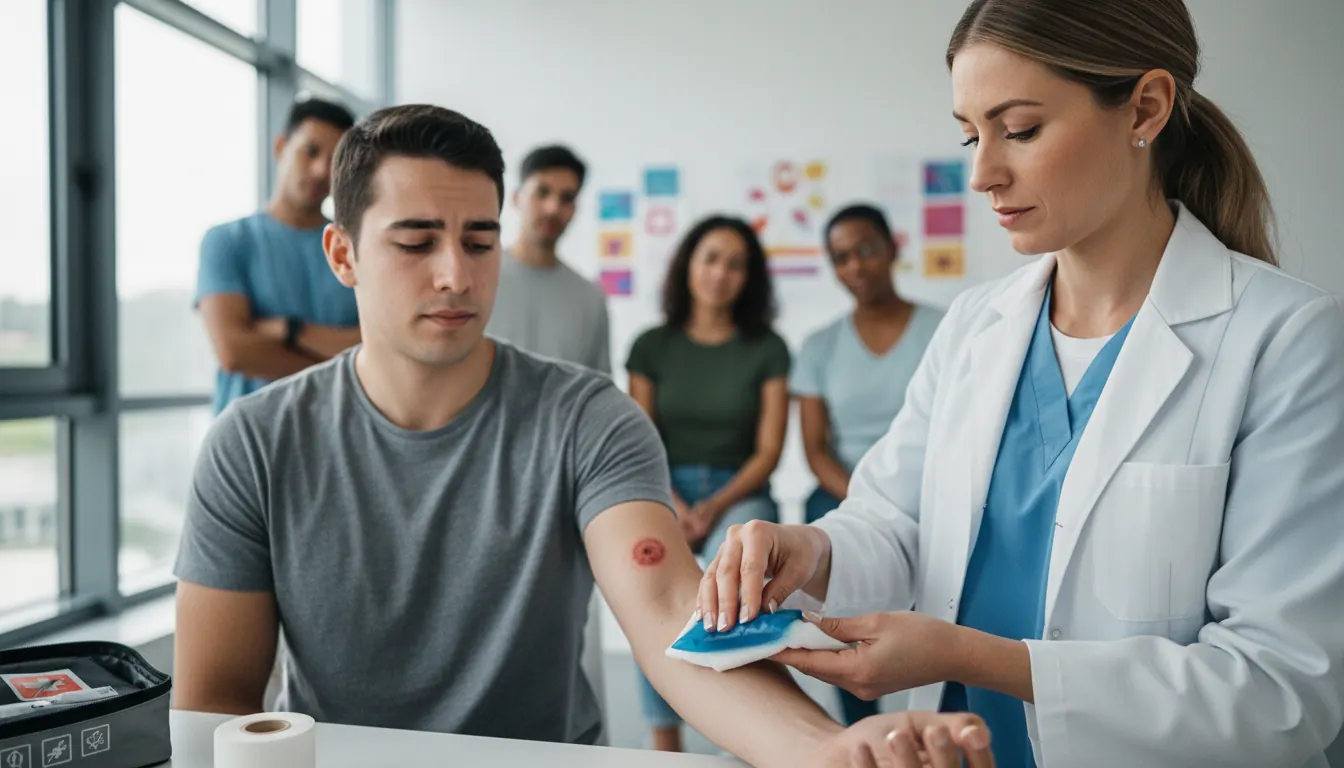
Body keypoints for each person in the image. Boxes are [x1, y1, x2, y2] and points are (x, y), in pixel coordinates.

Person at [169, 102, 933, 768]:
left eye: (478, 240)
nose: (456, 276)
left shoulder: (588, 418)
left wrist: (825, 751)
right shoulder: (254, 444)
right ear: (344, 255)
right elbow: (215, 709)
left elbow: (671, 613)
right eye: (415, 243)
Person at [699, 1, 1344, 766]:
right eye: (971, 134)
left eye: (1022, 130)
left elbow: (1283, 689)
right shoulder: (978, 324)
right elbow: (895, 522)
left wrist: (970, 657)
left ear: (1145, 108)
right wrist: (810, 551)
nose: (982, 173)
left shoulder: (1287, 340)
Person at [624, 215, 790, 753]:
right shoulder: (651, 345)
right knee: (647, 587)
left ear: (750, 278)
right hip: (660, 483)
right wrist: (674, 503)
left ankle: (738, 736)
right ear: (688, 265)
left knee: (739, 584)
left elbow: (768, 451)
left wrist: (714, 508)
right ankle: (664, 741)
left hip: (739, 491)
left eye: (735, 264)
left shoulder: (766, 348)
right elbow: (641, 439)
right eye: (711, 258)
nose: (721, 273)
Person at [790, 203, 944, 725]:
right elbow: (814, 448)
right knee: (819, 538)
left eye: (866, 250)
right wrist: (864, 498)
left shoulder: (946, 331)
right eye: (840, 258)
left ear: (893, 248)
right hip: (843, 489)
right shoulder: (819, 346)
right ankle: (860, 723)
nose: (855, 266)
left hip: (931, 487)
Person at [195, 97, 361, 414]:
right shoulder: (227, 241)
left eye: (335, 161)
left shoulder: (355, 247)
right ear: (281, 147)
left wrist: (292, 331)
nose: (320, 171)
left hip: (340, 438)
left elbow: (377, 346)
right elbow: (234, 352)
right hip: (248, 444)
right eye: (310, 151)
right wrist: (341, 361)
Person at [485, 144, 610, 373]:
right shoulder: (477, 277)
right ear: (516, 197)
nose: (553, 208)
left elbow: (597, 394)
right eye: (542, 192)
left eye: (567, 198)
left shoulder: (590, 299)